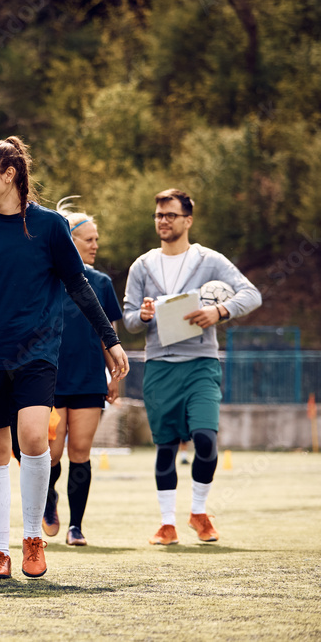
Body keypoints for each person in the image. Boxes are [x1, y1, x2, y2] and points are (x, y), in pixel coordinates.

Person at [0, 137, 129, 580]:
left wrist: (110, 340)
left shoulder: (51, 226)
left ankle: (33, 537)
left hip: (36, 353)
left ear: (9, 174)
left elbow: (79, 286)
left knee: (34, 438)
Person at [123, 188, 261, 545]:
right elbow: (128, 319)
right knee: (166, 446)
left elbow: (251, 293)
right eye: (158, 215)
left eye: (170, 215)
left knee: (205, 438)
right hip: (160, 367)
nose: (163, 221)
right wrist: (143, 314)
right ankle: (166, 524)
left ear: (188, 220)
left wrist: (218, 310)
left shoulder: (209, 261)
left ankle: (199, 513)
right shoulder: (143, 265)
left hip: (201, 363)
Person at [42, 199, 124, 547]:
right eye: (88, 239)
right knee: (52, 453)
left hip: (90, 380)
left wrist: (116, 377)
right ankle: (47, 504)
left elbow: (109, 336)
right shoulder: (45, 278)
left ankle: (76, 527)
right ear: (69, 240)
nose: (95, 245)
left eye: (96, 239)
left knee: (80, 451)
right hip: (50, 382)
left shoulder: (102, 283)